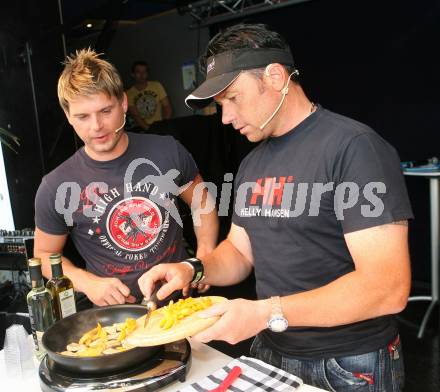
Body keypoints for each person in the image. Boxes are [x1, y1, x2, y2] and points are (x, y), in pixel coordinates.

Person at [138, 24, 413, 391]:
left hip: (348, 363)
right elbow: (239, 251)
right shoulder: (253, 163)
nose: (225, 117)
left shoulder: (354, 148)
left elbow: (387, 287)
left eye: (233, 98)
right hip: (271, 350)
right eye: (221, 105)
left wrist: (264, 313)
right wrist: (193, 267)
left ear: (275, 76)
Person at [33, 49, 218, 306]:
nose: (96, 126)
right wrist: (87, 283)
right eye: (83, 116)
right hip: (114, 319)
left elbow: (201, 202)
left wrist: (205, 255)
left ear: (123, 103)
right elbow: (44, 254)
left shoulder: (167, 150)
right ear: (68, 116)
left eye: (105, 111)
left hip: (181, 302)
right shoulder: (56, 185)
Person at [126, 60, 172, 132]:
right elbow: (135, 115)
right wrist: (149, 129)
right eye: (138, 72)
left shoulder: (156, 85)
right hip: (141, 129)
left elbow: (167, 106)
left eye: (144, 72)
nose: (142, 75)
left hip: (159, 125)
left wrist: (164, 125)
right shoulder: (129, 93)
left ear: (147, 74)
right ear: (133, 74)